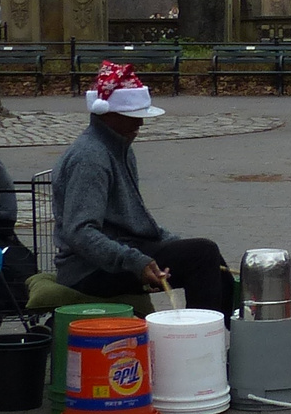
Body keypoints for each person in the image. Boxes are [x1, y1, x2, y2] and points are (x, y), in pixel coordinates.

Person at [52, 62, 233, 318]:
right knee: (202, 255)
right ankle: (212, 339)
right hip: (87, 271)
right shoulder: (90, 158)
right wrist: (136, 261)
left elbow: (136, 222)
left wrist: (169, 243)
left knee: (206, 256)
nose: (140, 124)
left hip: (115, 254)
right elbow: (79, 233)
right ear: (108, 115)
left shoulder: (118, 148)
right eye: (134, 116)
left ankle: (236, 330)